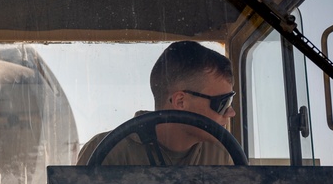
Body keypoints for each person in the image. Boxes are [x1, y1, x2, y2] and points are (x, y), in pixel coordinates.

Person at [76, 40, 237, 166]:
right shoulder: (105, 152)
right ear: (180, 101)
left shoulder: (222, 155)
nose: (231, 112)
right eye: (223, 102)